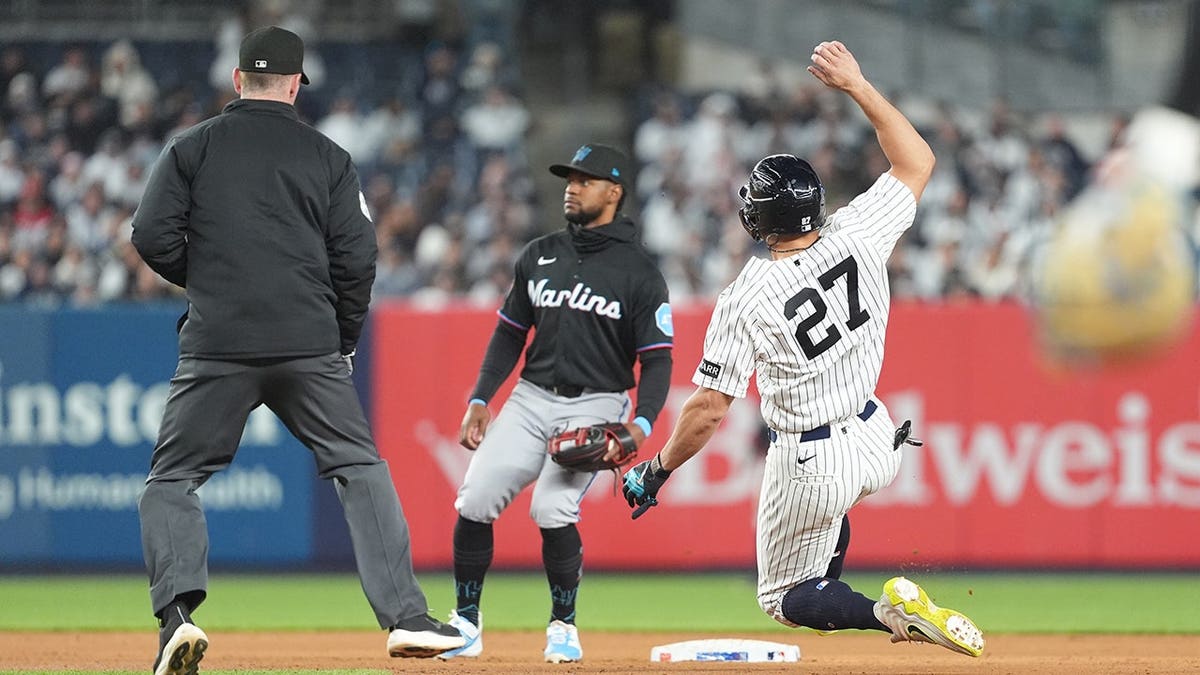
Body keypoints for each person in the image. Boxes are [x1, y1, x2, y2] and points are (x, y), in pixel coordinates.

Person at [621, 41, 985, 658]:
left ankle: (890, 615)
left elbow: (709, 408)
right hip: (876, 437)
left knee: (785, 597)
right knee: (822, 549)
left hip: (812, 460)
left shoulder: (747, 295)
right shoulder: (860, 232)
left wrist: (658, 470)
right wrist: (858, 85)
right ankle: (842, 588)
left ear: (756, 220)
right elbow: (918, 160)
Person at [130, 25, 464, 675]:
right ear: (294, 84)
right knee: (359, 467)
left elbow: (149, 234)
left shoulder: (191, 148)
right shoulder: (328, 156)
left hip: (218, 342)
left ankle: (177, 618)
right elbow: (358, 259)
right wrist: (341, 337)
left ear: (236, 81)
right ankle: (406, 618)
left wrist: (209, 281)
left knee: (172, 480)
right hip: (308, 341)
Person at [442, 143, 674, 663]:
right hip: (529, 399)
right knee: (476, 498)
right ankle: (466, 622)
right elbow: (508, 335)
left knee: (551, 508)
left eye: (585, 180)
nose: (572, 186)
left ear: (613, 192)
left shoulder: (640, 273)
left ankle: (563, 626)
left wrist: (640, 424)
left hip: (597, 404)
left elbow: (657, 361)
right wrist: (482, 397)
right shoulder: (539, 254)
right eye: (569, 178)